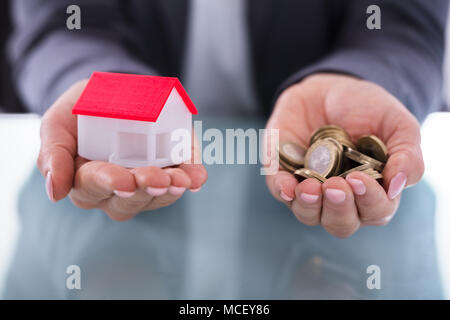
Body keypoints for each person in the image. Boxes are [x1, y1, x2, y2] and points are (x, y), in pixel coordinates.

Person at [8, 0, 448, 238]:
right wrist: (103, 88)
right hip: (128, 237)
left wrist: (362, 78)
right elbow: (64, 23)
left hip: (285, 235)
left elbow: (399, 21)